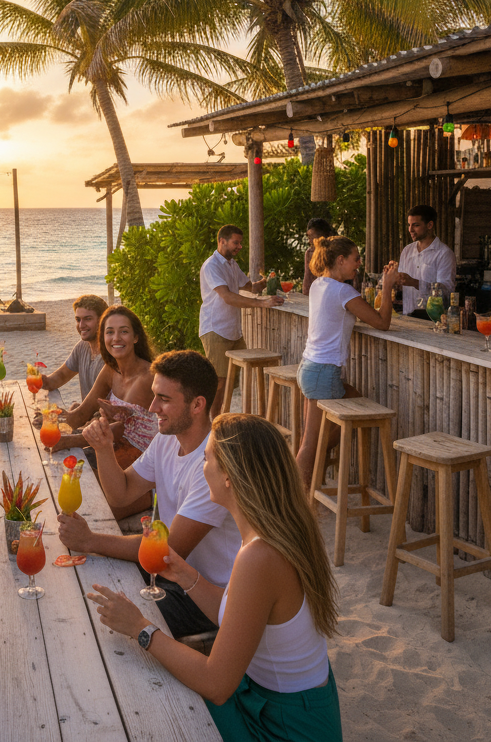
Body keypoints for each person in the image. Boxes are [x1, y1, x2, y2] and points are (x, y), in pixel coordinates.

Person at [87, 414, 342, 742]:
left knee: (150, 697)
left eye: (206, 459)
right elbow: (240, 614)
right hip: (284, 703)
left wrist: (140, 627)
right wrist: (185, 575)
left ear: (229, 479)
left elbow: (216, 685)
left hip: (285, 725)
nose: (200, 467)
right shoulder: (278, 533)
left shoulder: (259, 556)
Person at [58, 350, 242, 640]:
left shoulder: (213, 465)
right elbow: (122, 494)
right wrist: (104, 449)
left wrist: (90, 540)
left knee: (98, 626)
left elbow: (167, 550)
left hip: (207, 596)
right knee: (81, 585)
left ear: (197, 405)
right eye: (154, 395)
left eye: (164, 399)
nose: (152, 406)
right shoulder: (166, 440)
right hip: (172, 576)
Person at [295, 237, 398, 488]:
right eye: (356, 259)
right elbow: (382, 322)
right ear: (340, 260)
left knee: (354, 402)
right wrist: (387, 286)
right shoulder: (344, 291)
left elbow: (342, 315)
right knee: (311, 443)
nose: (359, 264)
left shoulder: (320, 284)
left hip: (309, 368)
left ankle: (311, 481)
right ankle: (294, 504)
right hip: (323, 373)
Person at [42, 305, 158, 470]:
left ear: (136, 337)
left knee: (68, 468)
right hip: (112, 446)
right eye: (110, 332)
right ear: (102, 337)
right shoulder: (111, 369)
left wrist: (68, 440)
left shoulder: (148, 377)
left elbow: (120, 430)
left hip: (141, 461)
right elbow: (82, 413)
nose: (116, 338)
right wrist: (51, 421)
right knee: (58, 464)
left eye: (124, 331)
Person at [199, 224, 282, 417]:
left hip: (233, 331)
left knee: (229, 383)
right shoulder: (211, 265)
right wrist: (261, 304)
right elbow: (227, 296)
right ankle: (210, 424)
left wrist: (263, 283)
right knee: (219, 382)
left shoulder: (232, 265)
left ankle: (220, 421)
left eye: (240, 243)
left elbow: (248, 287)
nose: (239, 246)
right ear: (222, 242)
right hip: (215, 329)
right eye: (236, 242)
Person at [40, 294, 108, 403]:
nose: (81, 325)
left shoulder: (111, 353)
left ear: (102, 320)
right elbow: (62, 375)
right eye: (78, 320)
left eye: (88, 319)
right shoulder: (82, 347)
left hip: (104, 418)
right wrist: (45, 381)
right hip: (86, 416)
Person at [396, 204, 456, 317]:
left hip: (433, 320)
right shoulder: (407, 251)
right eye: (409, 225)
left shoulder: (444, 254)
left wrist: (414, 282)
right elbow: (400, 285)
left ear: (430, 225)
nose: (410, 229)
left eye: (416, 225)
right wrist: (393, 281)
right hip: (407, 317)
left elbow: (446, 293)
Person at [302, 218, 336, 295]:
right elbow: (307, 280)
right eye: (309, 237)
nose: (310, 241)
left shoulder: (336, 252)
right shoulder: (310, 253)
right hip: (316, 295)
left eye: (313, 237)